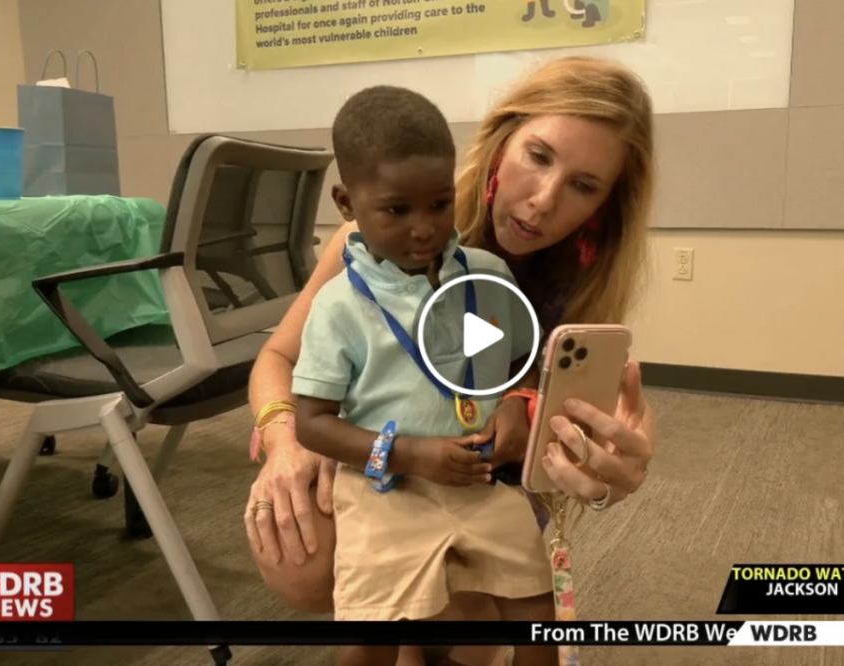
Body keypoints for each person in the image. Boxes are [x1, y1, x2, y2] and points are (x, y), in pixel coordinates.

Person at [245, 56, 659, 666]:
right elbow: (278, 356)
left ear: (605, 203)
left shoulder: (578, 281)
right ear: (500, 141)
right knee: (308, 563)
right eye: (538, 156)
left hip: (480, 474)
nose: (542, 201)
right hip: (381, 456)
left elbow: (578, 409)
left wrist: (610, 463)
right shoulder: (372, 246)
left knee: (485, 604)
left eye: (583, 185)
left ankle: (447, 622)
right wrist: (285, 440)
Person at [287, 85, 558, 666]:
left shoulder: (487, 274)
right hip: (386, 488)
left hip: (482, 482)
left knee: (539, 614)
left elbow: (520, 362)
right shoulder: (340, 306)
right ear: (345, 202)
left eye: (438, 204)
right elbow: (311, 424)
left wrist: (515, 403)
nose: (424, 228)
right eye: (396, 210)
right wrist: (407, 453)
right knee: (369, 636)